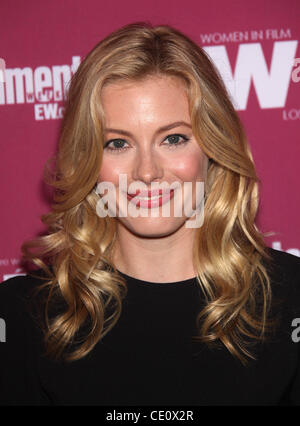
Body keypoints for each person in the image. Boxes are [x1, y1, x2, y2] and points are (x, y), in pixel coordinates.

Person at [0, 22, 300, 407]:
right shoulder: (21, 317)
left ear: (213, 148)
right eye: (117, 143)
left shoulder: (290, 300)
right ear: (87, 159)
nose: (146, 171)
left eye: (173, 138)